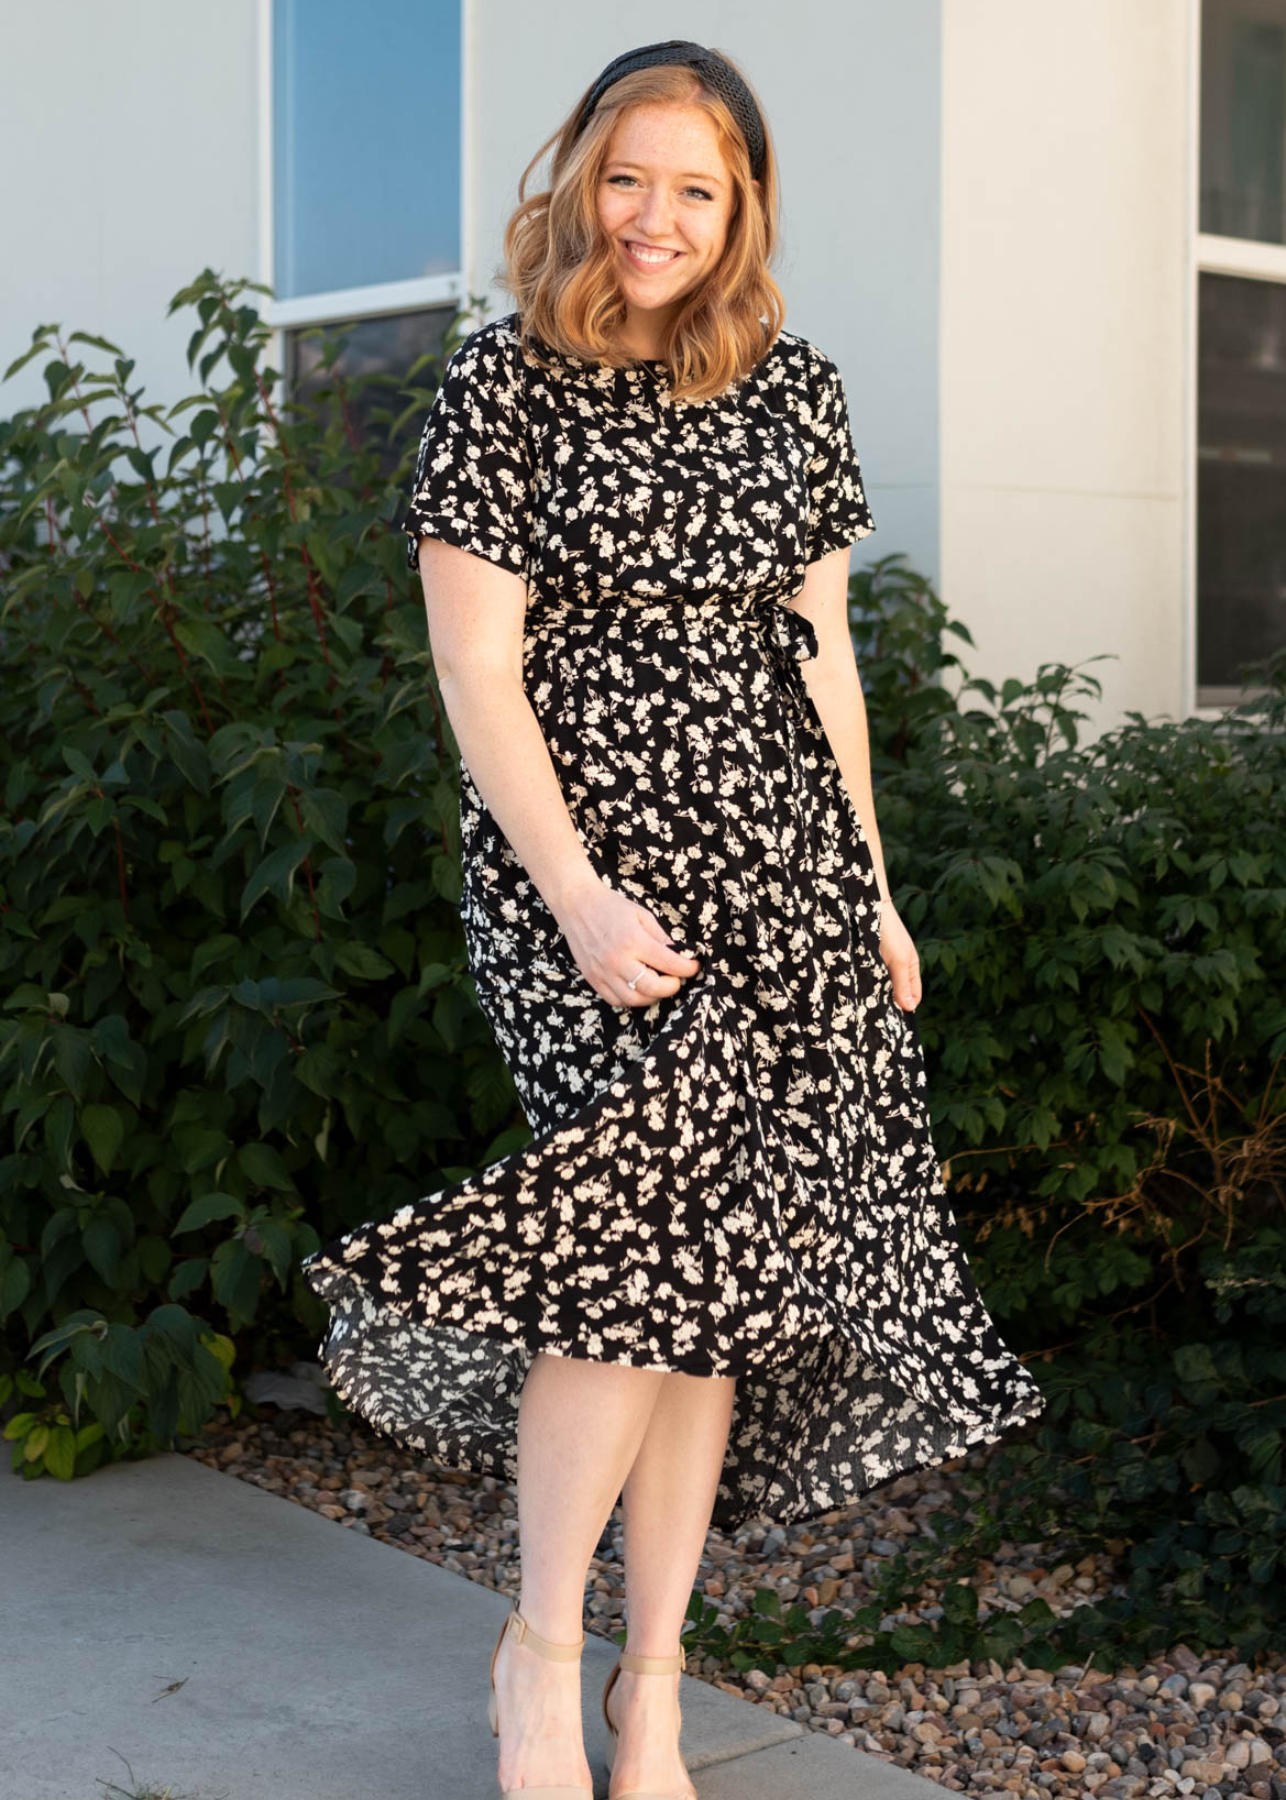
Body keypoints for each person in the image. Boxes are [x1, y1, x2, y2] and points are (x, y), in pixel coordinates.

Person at [301, 38, 1045, 1800]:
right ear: (579, 180)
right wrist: (571, 894)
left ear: (742, 211)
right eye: (626, 178)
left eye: (692, 189)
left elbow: (821, 651)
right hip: (583, 871)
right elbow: (476, 671)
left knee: (710, 1280)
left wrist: (868, 881)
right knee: (635, 1255)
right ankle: (539, 1654)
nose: (653, 218)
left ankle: (653, 1683)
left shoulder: (795, 388)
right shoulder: (498, 389)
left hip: (779, 865)